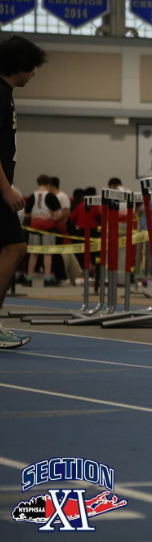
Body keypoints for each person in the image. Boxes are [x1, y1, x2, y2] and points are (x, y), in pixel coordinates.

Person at [0, 35, 46, 347]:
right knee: (15, 248)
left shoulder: (6, 94)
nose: (34, 73)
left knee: (12, 248)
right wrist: (6, 189)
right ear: (19, 65)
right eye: (31, 67)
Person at [24, 173, 61, 286]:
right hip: (48, 226)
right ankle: (47, 279)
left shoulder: (32, 196)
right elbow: (57, 214)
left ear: (38, 183)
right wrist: (53, 218)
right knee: (47, 253)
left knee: (33, 253)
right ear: (48, 184)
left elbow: (27, 214)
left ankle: (29, 278)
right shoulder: (51, 196)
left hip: (34, 226)